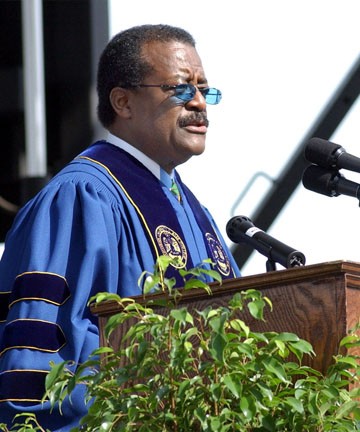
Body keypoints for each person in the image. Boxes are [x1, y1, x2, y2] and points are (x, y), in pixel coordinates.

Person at [0, 24, 240, 430]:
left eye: (204, 89)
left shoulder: (196, 213)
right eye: (182, 89)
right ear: (123, 102)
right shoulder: (80, 197)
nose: (200, 103)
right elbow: (40, 352)